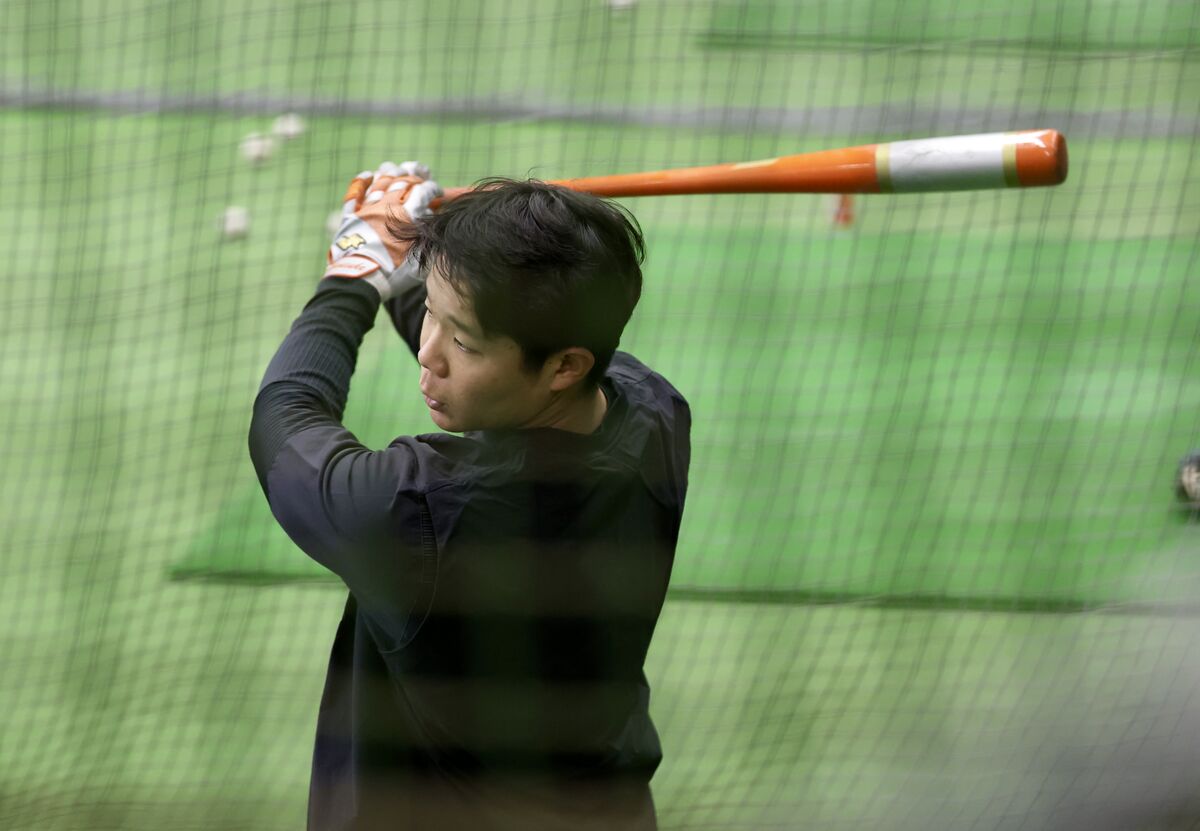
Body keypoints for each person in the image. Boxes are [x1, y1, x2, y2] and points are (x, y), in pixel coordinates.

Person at [248, 161, 691, 830]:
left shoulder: (420, 513)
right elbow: (516, 338)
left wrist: (351, 277)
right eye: (431, 309)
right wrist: (412, 273)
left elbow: (285, 421)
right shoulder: (656, 415)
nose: (430, 353)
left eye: (461, 339)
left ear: (564, 365)